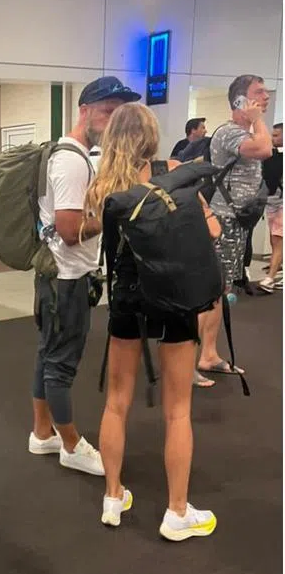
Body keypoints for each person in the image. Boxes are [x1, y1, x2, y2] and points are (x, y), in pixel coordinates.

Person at [88, 102, 221, 538]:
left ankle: (112, 496)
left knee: (116, 403)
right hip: (174, 299)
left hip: (127, 299)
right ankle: (177, 511)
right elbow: (212, 232)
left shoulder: (104, 187)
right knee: (178, 409)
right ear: (151, 136)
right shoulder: (174, 171)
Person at [29, 76, 141, 477]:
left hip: (56, 276)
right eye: (107, 111)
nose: (111, 121)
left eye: (117, 114)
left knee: (48, 353)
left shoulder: (72, 154)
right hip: (67, 276)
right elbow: (70, 229)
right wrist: (112, 213)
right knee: (61, 362)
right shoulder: (73, 161)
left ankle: (43, 432)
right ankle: (71, 444)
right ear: (85, 110)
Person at [197, 74, 273, 376]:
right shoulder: (230, 133)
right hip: (223, 223)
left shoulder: (247, 133)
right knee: (209, 294)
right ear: (240, 101)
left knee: (220, 291)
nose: (265, 97)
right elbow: (265, 149)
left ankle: (208, 354)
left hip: (236, 224)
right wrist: (257, 121)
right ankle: (187, 361)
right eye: (259, 92)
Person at [257, 123, 282, 293]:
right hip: (271, 201)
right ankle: (275, 269)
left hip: (282, 202)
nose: (273, 139)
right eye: (272, 135)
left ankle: (270, 278)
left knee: (278, 239)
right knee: (275, 241)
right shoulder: (270, 155)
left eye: (276, 135)